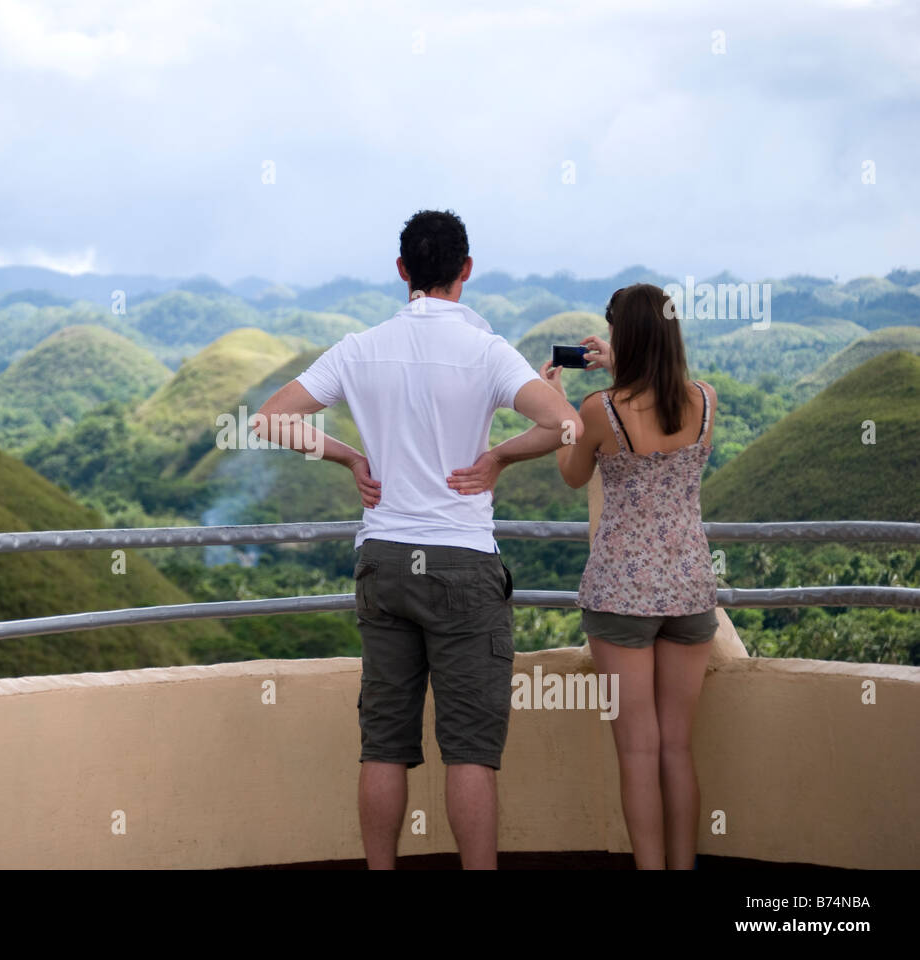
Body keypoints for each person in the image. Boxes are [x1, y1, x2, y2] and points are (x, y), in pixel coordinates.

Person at [253, 210, 579, 869]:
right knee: (470, 753)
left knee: (383, 745)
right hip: (462, 563)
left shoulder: (359, 346)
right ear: (466, 270)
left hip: (385, 561)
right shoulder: (487, 351)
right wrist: (499, 459)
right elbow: (565, 425)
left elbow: (271, 419)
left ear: (402, 271)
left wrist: (348, 457)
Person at [548, 283, 718, 869]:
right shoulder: (705, 400)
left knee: (638, 753)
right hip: (691, 590)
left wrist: (561, 406)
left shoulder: (601, 409)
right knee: (677, 749)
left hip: (620, 595)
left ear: (625, 337)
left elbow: (574, 474)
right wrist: (628, 362)